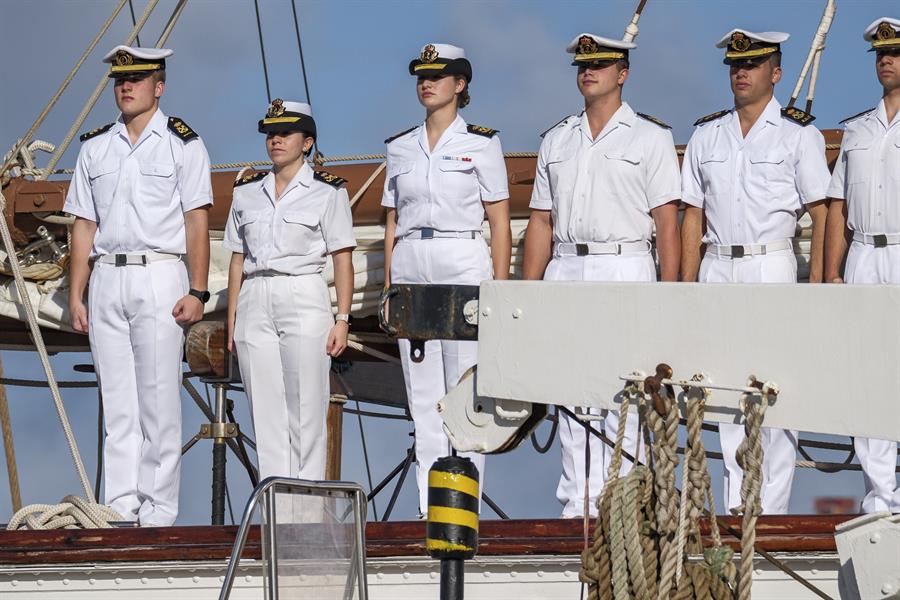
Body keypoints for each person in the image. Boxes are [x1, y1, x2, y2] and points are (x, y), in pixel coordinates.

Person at [522, 33, 681, 518]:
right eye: (582, 65)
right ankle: (578, 506)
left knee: (625, 393)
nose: (588, 71)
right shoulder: (556, 139)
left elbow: (667, 224)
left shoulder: (650, 137)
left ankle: (623, 508)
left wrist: (669, 298)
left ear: (622, 74)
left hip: (625, 263)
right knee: (570, 392)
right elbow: (540, 222)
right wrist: (528, 300)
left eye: (600, 64)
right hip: (566, 266)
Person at [681, 29, 831, 515]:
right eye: (734, 65)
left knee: (773, 396)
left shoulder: (799, 134)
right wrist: (683, 288)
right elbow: (692, 216)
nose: (740, 72)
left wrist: (824, 283)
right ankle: (734, 513)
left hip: (771, 264)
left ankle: (769, 517)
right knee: (724, 396)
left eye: (752, 64)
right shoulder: (706, 134)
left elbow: (823, 211)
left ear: (776, 73)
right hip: (717, 266)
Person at [65, 45, 213, 526]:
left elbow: (196, 221)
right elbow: (83, 225)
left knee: (158, 401)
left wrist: (197, 290)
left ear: (159, 86)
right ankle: (120, 507)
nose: (125, 86)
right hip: (107, 276)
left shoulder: (183, 144)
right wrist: (75, 293)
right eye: (119, 80)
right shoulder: (95, 147)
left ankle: (158, 512)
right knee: (118, 402)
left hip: (160, 273)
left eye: (137, 79)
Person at [382, 43, 511, 517]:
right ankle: (428, 508)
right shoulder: (399, 146)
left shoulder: (481, 143)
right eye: (421, 75)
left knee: (466, 388)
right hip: (413, 261)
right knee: (423, 397)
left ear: (460, 85)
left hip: (462, 257)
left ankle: (464, 509)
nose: (426, 82)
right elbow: (392, 219)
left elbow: (499, 219)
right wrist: (390, 283)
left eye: (438, 76)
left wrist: (496, 285)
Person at [224, 99, 356, 482]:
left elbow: (342, 257)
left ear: (307, 142)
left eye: (285, 133)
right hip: (255, 295)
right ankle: (275, 507)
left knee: (306, 408)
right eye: (270, 134)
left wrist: (343, 319)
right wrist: (233, 316)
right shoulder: (246, 191)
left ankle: (307, 506)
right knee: (265, 412)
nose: (275, 140)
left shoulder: (328, 191)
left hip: (302, 292)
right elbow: (237, 258)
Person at [824, 17, 900, 514]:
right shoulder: (857, 129)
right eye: (880, 53)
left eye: (895, 52)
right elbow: (837, 208)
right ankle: (881, 497)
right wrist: (832, 273)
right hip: (863, 255)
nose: (886, 60)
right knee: (867, 375)